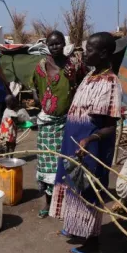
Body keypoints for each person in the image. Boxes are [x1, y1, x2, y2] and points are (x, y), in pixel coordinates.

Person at [54, 32, 122, 253]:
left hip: (90, 150)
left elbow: (111, 126)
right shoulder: (91, 76)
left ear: (104, 53)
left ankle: (93, 243)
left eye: (90, 50)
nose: (85, 54)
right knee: (72, 186)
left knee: (88, 192)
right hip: (73, 144)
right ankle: (76, 228)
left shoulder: (111, 83)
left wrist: (90, 139)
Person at [33, 31, 86, 219]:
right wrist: (43, 101)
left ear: (64, 44)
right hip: (47, 123)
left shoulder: (73, 66)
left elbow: (82, 86)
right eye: (51, 44)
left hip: (66, 122)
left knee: (64, 163)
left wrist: (72, 80)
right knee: (45, 164)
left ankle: (62, 202)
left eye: (58, 43)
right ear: (47, 45)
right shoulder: (40, 67)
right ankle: (47, 203)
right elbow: (35, 88)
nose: (55, 46)